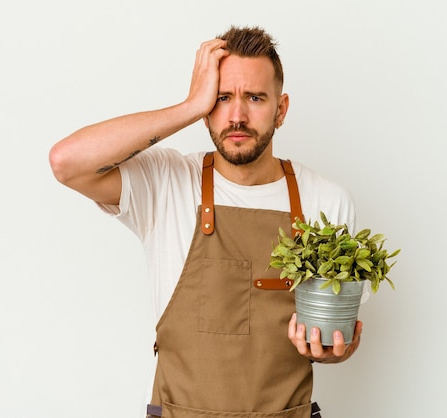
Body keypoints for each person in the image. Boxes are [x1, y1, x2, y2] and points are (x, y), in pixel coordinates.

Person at [50, 25, 363, 418]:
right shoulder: (167, 184)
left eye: (254, 97)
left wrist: (336, 350)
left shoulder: (326, 202)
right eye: (222, 98)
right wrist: (188, 106)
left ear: (280, 110)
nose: (237, 115)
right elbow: (67, 163)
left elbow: (336, 334)